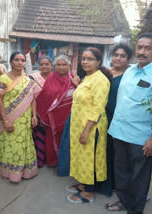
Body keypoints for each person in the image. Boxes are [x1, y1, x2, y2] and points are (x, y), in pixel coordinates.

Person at [106, 33, 152, 213]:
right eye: (139, 47)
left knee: (138, 178)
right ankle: (124, 201)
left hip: (141, 137)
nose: (142, 51)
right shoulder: (129, 71)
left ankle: (135, 210)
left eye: (148, 48)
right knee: (121, 174)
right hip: (119, 131)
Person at [66, 47, 110, 204]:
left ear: (98, 61)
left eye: (90, 59)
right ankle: (85, 184)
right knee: (82, 155)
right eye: (83, 58)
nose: (85, 62)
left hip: (92, 127)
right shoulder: (88, 77)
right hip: (81, 124)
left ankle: (89, 192)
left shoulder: (101, 80)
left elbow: (97, 107)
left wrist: (86, 130)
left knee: (89, 157)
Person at [0, 52, 38, 183]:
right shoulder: (3, 79)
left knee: (23, 144)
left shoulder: (28, 81)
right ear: (11, 62)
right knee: (10, 145)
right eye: (16, 60)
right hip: (9, 118)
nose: (20, 62)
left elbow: (32, 99)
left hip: (24, 119)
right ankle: (10, 173)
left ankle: (25, 172)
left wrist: (34, 116)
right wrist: (5, 120)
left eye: (22, 60)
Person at [36, 55, 76, 167]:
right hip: (52, 117)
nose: (61, 67)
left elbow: (79, 96)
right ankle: (53, 161)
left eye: (64, 65)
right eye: (58, 64)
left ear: (69, 66)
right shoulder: (50, 78)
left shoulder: (73, 78)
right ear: (54, 66)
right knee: (51, 139)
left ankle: (66, 163)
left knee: (67, 139)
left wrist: (78, 85)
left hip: (68, 117)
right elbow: (44, 97)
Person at [105, 43, 133, 193]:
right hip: (104, 116)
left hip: (121, 117)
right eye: (116, 55)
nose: (118, 58)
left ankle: (118, 184)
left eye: (123, 56)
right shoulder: (106, 72)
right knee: (105, 149)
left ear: (128, 58)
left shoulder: (131, 74)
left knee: (119, 154)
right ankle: (105, 180)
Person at [29, 56, 53, 168]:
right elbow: (30, 95)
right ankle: (39, 159)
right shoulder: (33, 78)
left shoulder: (55, 77)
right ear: (38, 66)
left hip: (52, 112)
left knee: (50, 136)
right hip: (36, 111)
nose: (44, 66)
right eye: (42, 64)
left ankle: (50, 159)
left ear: (51, 66)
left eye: (47, 64)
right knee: (38, 135)